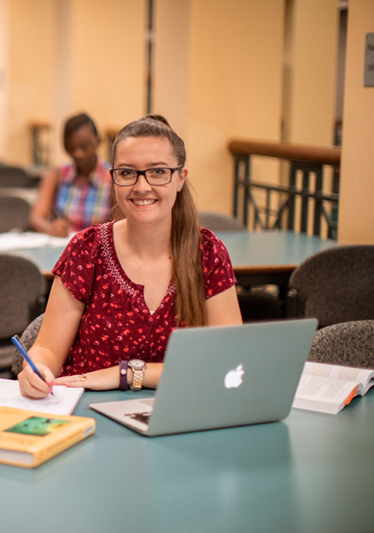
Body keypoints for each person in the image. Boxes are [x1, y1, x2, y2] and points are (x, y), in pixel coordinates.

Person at [19, 115, 242, 398]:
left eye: (158, 172)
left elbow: (230, 360)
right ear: (113, 178)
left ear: (180, 179)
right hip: (89, 418)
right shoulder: (86, 250)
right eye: (127, 173)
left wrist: (127, 373)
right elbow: (48, 349)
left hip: (181, 416)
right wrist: (36, 368)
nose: (141, 186)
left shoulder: (208, 254)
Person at [29, 113, 112, 237]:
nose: (78, 154)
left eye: (84, 147)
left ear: (98, 141)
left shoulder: (112, 178)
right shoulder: (56, 175)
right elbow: (36, 218)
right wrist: (49, 228)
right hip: (62, 248)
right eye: (72, 148)